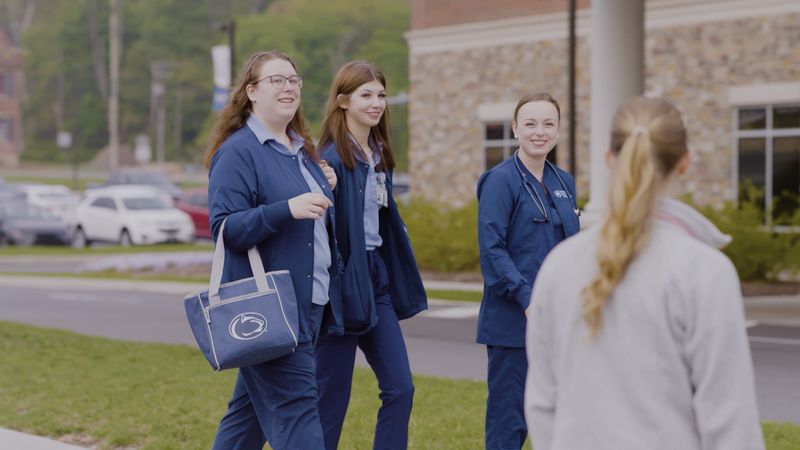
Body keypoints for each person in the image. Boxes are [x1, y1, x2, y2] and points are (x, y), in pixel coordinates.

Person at [524, 97, 765, 450]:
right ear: (686, 161)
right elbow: (730, 422)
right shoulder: (705, 272)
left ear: (609, 160)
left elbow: (543, 404)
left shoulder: (559, 265)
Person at [204, 50, 344, 450]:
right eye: (276, 80)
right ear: (251, 91)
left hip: (309, 302)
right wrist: (287, 209)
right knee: (299, 409)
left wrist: (322, 183)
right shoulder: (238, 152)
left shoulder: (299, 149)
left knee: (247, 415)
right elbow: (226, 228)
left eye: (294, 80)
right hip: (270, 307)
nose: (288, 87)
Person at [314, 60, 428, 450]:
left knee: (401, 388)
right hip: (341, 286)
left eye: (381, 95)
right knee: (330, 402)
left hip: (376, 280)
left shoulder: (378, 153)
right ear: (343, 101)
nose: (377, 103)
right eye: (366, 95)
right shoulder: (329, 158)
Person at [476, 92, 580, 449]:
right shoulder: (499, 181)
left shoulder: (564, 181)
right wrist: (527, 299)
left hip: (559, 321)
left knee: (562, 417)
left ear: (558, 130)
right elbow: (492, 250)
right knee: (510, 421)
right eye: (531, 124)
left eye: (548, 124)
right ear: (516, 129)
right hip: (513, 321)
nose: (540, 132)